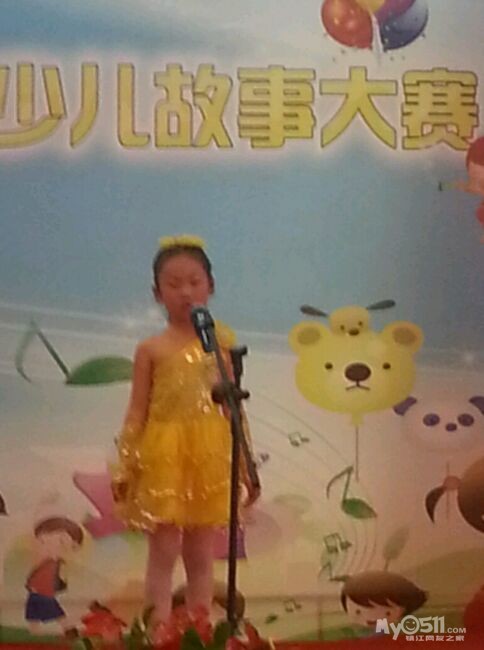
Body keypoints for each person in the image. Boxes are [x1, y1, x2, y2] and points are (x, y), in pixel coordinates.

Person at [111, 234, 259, 636]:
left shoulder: (221, 348)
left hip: (209, 452)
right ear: (157, 293)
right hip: (164, 453)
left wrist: (246, 465)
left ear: (211, 286)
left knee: (201, 552)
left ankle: (201, 631)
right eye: (173, 284)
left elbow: (233, 410)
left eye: (194, 282)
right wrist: (126, 462)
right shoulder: (150, 349)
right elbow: (137, 409)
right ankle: (156, 632)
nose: (185, 292)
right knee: (163, 549)